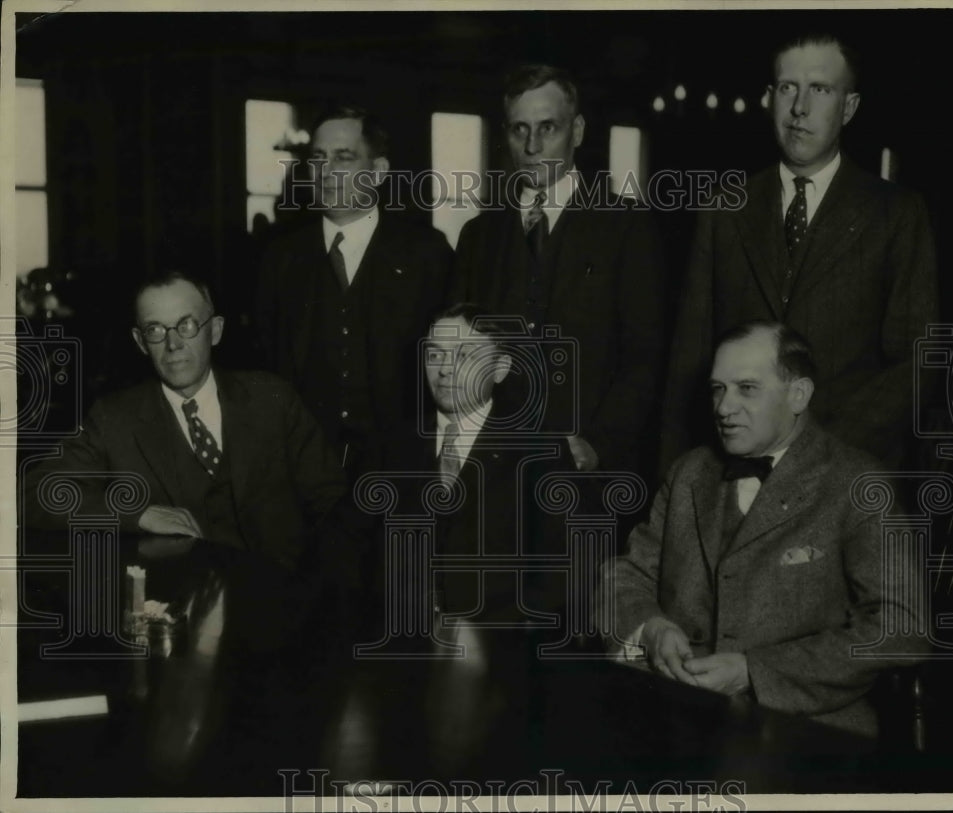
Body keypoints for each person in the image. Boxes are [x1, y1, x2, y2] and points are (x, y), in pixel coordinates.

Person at [600, 322, 926, 737]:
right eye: (718, 388)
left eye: (746, 388)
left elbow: (901, 628)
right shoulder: (689, 473)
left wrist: (755, 672)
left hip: (806, 733)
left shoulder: (858, 485)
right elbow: (624, 577)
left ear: (798, 395)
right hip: (670, 716)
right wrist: (652, 629)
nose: (723, 407)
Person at [660, 34, 938, 474]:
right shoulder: (724, 207)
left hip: (847, 476)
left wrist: (812, 453)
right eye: (788, 88)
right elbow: (688, 361)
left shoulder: (896, 213)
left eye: (820, 90)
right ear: (770, 99)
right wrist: (674, 487)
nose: (799, 108)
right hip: (735, 476)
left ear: (848, 107)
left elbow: (914, 364)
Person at [23, 270, 348, 570]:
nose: (173, 344)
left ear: (215, 330)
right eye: (155, 330)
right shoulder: (114, 419)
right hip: (180, 610)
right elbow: (33, 493)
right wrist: (138, 514)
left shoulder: (272, 400)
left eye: (187, 325)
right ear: (140, 342)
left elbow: (335, 506)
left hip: (283, 602)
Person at [452, 65, 666, 477]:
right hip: (495, 472)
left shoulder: (625, 226)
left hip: (588, 470)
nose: (532, 146)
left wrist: (599, 444)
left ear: (578, 131)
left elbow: (644, 358)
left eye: (547, 128)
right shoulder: (477, 236)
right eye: (519, 129)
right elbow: (458, 356)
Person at [256, 105, 453, 477]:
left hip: (406, 469)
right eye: (318, 159)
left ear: (378, 171)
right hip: (307, 470)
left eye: (343, 159)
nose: (326, 172)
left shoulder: (427, 253)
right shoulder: (280, 258)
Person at [365, 303, 572, 636]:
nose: (445, 369)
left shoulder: (539, 451)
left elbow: (562, 570)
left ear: (500, 368)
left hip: (497, 649)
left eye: (464, 355)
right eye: (435, 354)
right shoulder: (390, 445)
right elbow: (354, 552)